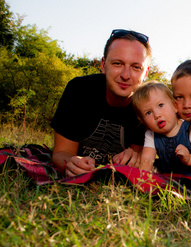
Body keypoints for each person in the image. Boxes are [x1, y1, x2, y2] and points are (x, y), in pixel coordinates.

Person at [50, 29, 151, 177]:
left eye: (136, 67)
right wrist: (72, 163)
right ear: (103, 65)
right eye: (117, 63)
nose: (125, 75)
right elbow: (61, 153)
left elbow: (141, 160)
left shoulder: (150, 106)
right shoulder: (79, 89)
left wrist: (136, 159)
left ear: (146, 73)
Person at [132, 81, 191, 178]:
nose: (157, 115)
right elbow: (147, 160)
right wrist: (143, 178)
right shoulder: (151, 134)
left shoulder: (190, 129)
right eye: (148, 113)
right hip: (169, 179)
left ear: (174, 106)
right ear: (143, 121)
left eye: (160, 105)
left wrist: (190, 158)